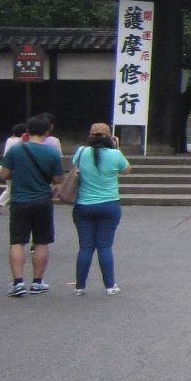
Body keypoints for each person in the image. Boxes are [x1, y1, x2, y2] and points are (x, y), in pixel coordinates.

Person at [0, 113, 64, 297]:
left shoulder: (16, 150)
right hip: (43, 200)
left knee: (17, 242)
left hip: (19, 200)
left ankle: (18, 282)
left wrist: (18, 173)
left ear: (27, 131)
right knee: (42, 241)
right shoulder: (52, 152)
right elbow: (58, 178)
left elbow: (3, 175)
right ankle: (37, 282)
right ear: (47, 131)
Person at [69, 121, 129, 296]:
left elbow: (75, 169)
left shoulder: (81, 152)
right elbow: (127, 169)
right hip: (109, 205)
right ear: (110, 138)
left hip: (84, 205)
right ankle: (110, 286)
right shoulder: (114, 155)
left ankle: (80, 285)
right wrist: (117, 149)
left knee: (85, 247)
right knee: (105, 246)